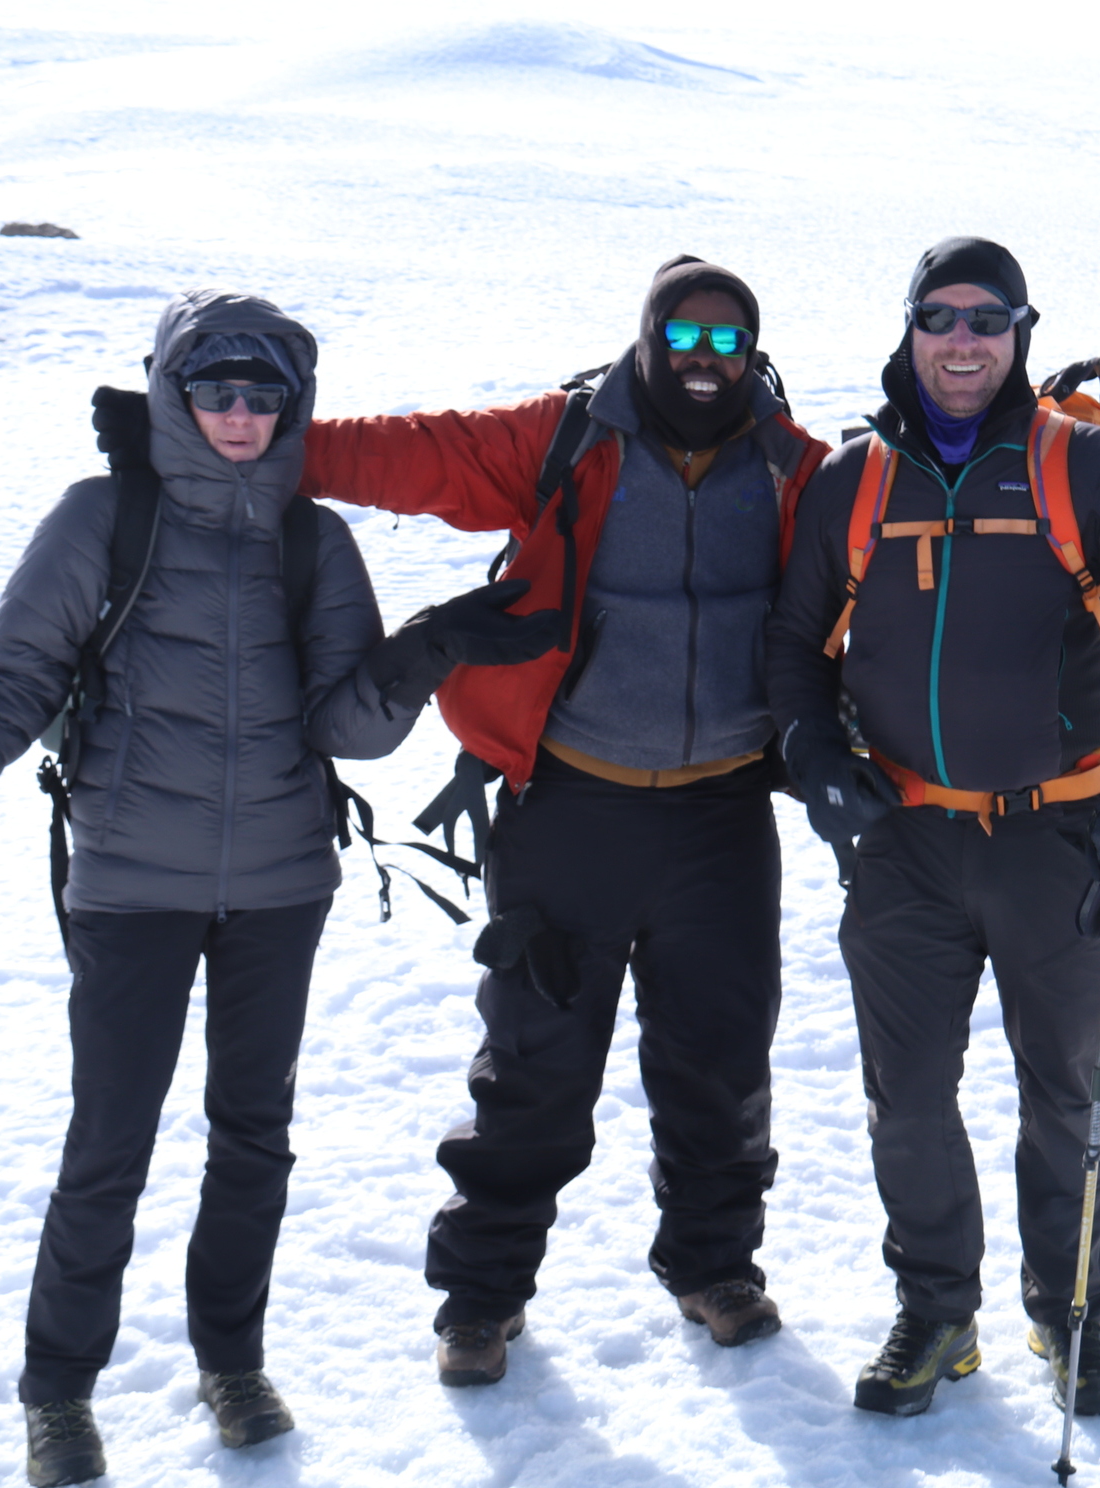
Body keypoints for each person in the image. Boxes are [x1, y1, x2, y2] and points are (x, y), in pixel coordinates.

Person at [0, 288, 557, 1488]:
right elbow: (8, 693)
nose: (239, 415)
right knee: (110, 1143)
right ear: (171, 392)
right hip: (132, 886)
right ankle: (58, 1393)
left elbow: (349, 733)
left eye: (263, 394)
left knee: (254, 1140)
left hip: (282, 888)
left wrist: (425, 650)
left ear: (292, 403)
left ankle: (232, 1362)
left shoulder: (315, 537)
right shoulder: (103, 519)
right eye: (213, 390)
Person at [295, 255, 830, 1386]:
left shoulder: (794, 469)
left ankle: (715, 1264)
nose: (703, 360)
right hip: (572, 807)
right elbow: (411, 452)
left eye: (728, 343)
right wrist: (231, 434)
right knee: (535, 1065)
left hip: (724, 814)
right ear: (646, 339)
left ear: (755, 353)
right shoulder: (565, 440)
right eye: (683, 337)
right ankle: (482, 1298)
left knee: (719, 1057)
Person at [768, 238, 1100, 1420]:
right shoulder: (855, 479)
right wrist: (818, 760)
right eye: (940, 318)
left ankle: (1069, 1312)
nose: (962, 342)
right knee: (907, 1093)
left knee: (1062, 1094)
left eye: (986, 319)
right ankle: (936, 1310)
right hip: (905, 839)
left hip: (1057, 837)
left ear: (1019, 331)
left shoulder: (1086, 467)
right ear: (910, 329)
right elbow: (790, 648)